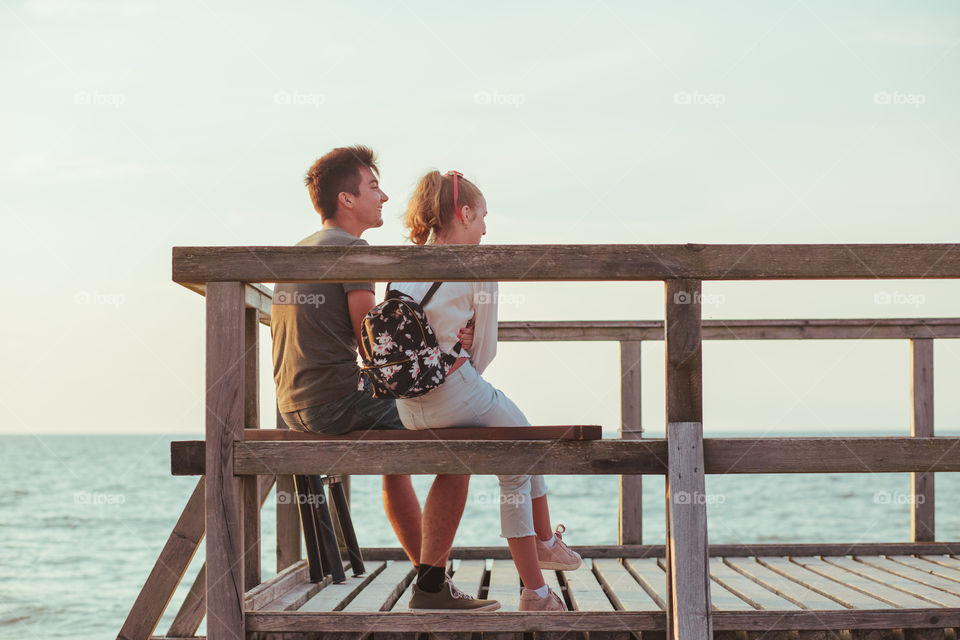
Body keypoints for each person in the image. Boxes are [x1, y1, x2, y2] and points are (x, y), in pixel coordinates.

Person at [271, 146, 498, 611]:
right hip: (333, 402)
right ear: (346, 199)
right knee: (458, 434)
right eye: (373, 187)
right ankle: (433, 586)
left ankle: (428, 576)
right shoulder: (352, 251)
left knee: (403, 450)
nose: (384, 196)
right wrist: (448, 354)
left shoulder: (299, 251)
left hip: (292, 404)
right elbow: (376, 349)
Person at [390, 170, 582, 612]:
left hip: (407, 405)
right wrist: (464, 352)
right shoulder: (477, 266)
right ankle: (536, 587)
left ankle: (547, 541)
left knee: (523, 437)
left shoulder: (405, 264)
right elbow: (486, 351)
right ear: (465, 212)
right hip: (452, 391)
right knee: (519, 459)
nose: (485, 229)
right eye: (482, 218)